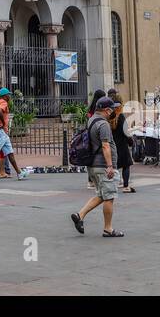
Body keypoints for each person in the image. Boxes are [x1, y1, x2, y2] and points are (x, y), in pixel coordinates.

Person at [71, 96, 122, 237]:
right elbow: (105, 145)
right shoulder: (103, 124)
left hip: (93, 165)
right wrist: (110, 166)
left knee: (101, 195)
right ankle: (108, 229)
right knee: (109, 197)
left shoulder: (92, 120)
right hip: (103, 166)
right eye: (112, 109)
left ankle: (79, 215)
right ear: (107, 110)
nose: (113, 112)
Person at [106, 90, 136, 193]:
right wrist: (131, 142)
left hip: (112, 144)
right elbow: (126, 132)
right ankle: (126, 186)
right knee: (126, 165)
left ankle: (113, 184)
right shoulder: (121, 117)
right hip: (122, 145)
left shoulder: (109, 117)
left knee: (115, 165)